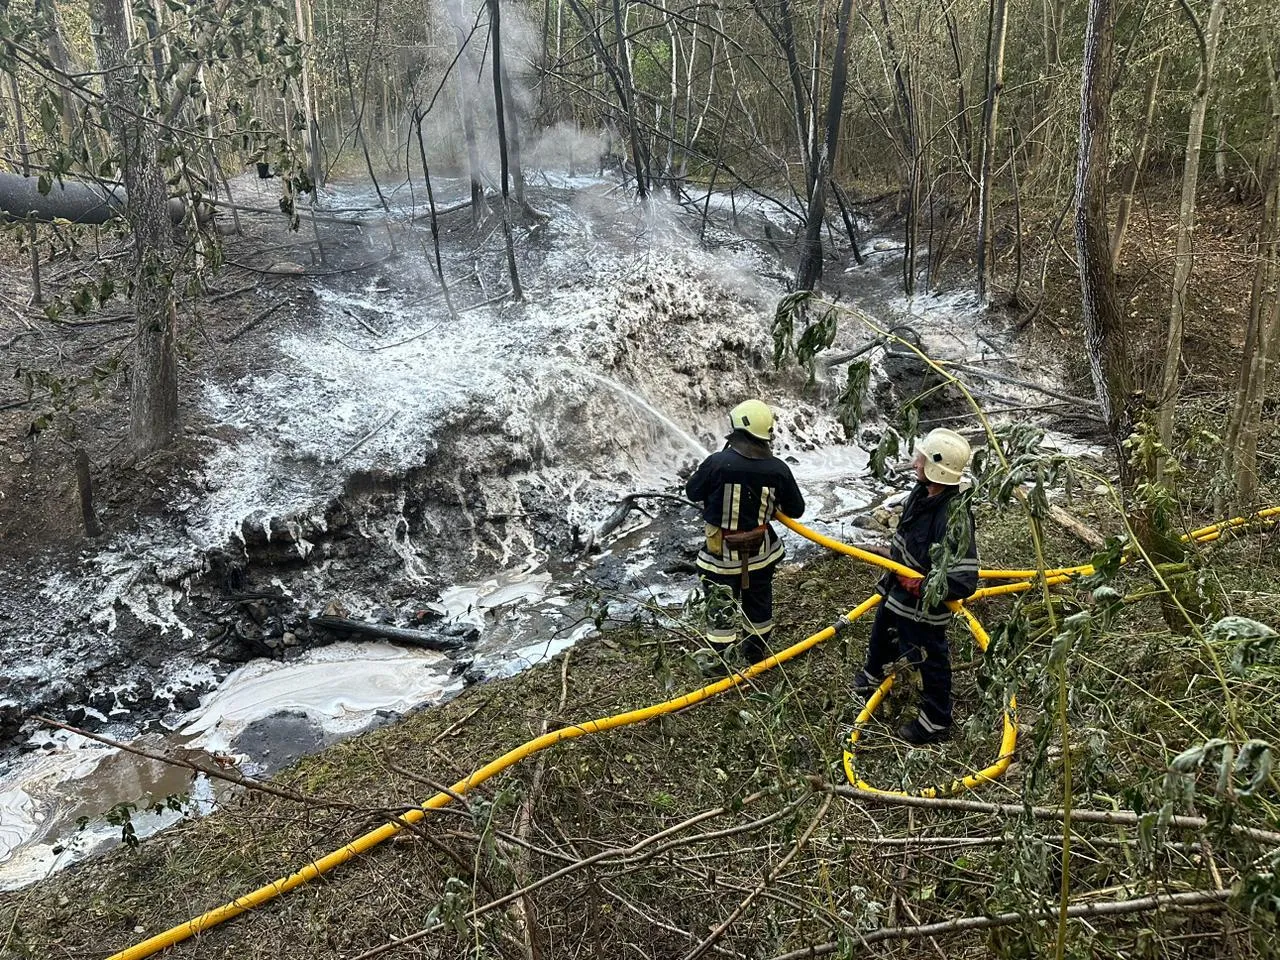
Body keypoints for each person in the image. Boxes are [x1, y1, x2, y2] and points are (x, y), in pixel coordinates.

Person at [855, 428, 979, 744]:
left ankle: (936, 720)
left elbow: (964, 580)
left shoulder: (954, 517)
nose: (914, 463)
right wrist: (894, 563)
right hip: (898, 591)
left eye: (921, 459)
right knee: (882, 630)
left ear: (937, 468)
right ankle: (872, 676)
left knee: (927, 658)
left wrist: (920, 585)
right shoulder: (922, 493)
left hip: (924, 608)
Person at [685, 399, 805, 670]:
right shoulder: (778, 469)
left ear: (738, 429)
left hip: (721, 558)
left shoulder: (717, 463)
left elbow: (693, 492)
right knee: (759, 605)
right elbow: (796, 510)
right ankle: (755, 655)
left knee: (720, 610)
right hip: (761, 556)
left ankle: (720, 666)